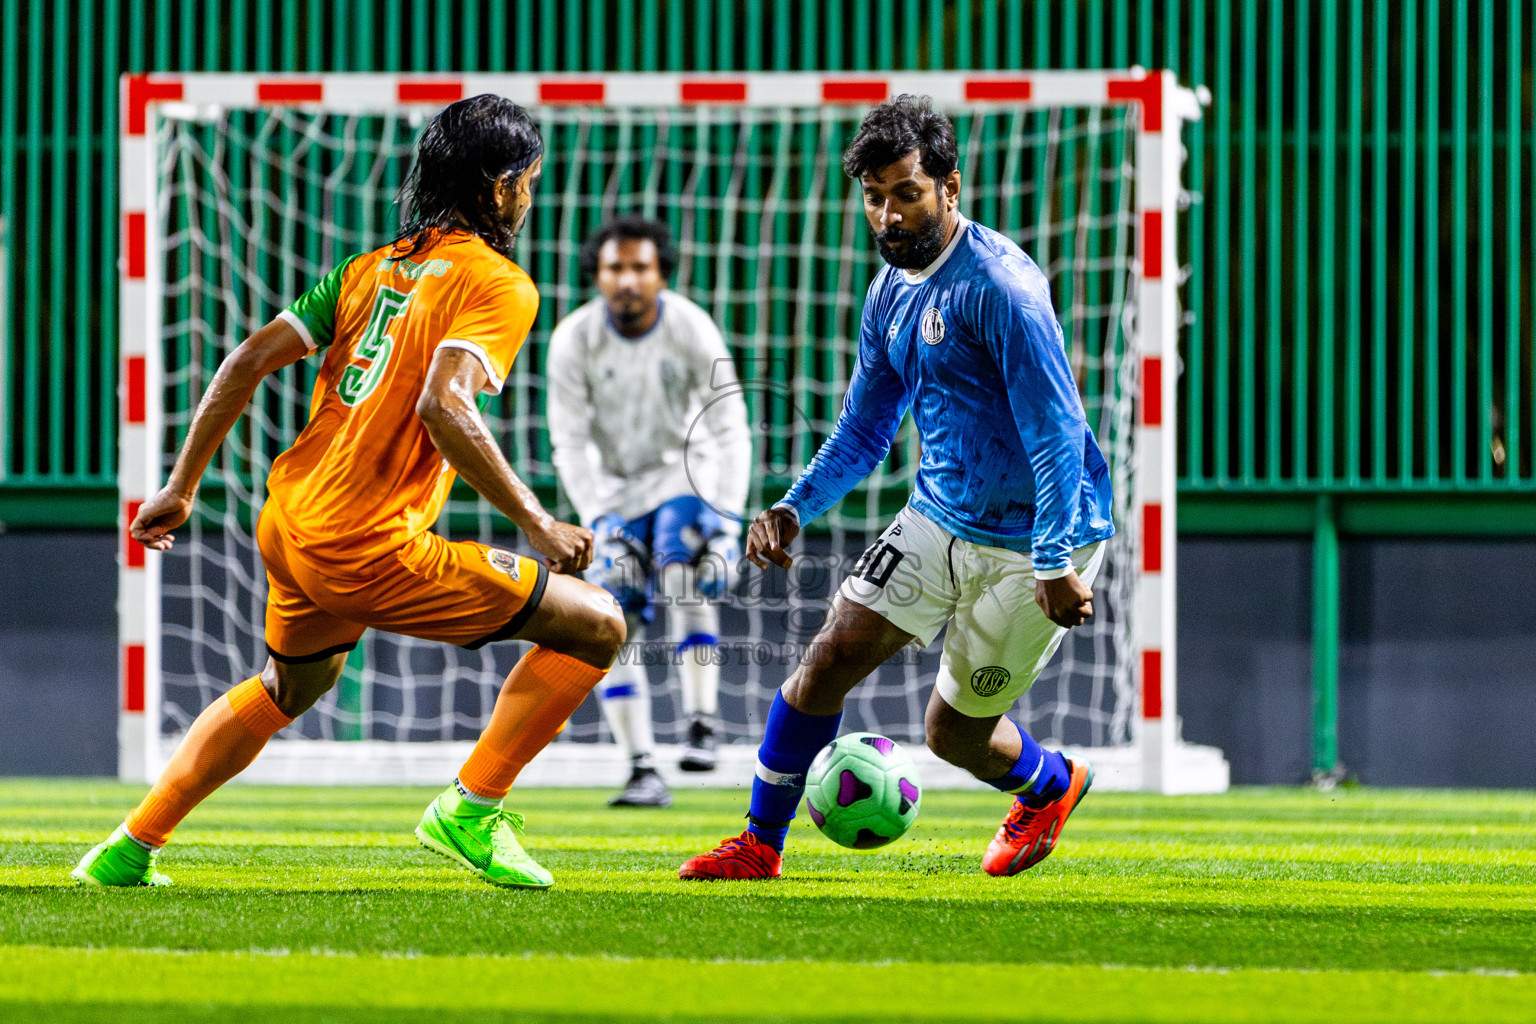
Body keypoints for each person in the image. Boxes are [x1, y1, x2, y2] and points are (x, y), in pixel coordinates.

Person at [72, 94, 625, 891]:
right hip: (366, 545)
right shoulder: (498, 284)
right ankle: (471, 809)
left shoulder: (369, 268)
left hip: (289, 519)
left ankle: (128, 849)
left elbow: (245, 361)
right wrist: (536, 521)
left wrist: (180, 486)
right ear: (502, 188)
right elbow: (444, 404)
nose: (530, 198)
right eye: (529, 182)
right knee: (598, 624)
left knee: (291, 685)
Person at [678, 95, 1114, 881]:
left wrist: (1054, 562)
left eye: (906, 193)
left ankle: (1052, 785)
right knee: (825, 662)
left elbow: (1055, 434)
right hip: (938, 517)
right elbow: (866, 428)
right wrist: (793, 505)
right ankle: (758, 844)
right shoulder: (892, 291)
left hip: (1038, 539)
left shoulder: (1002, 291)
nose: (888, 215)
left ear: (951, 186)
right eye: (874, 198)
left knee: (953, 735)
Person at [547, 216, 751, 808]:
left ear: (661, 273)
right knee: (611, 619)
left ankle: (702, 725)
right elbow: (569, 441)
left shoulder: (690, 327)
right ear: (598, 275)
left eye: (640, 267)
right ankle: (641, 767)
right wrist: (599, 516)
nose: (628, 279)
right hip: (614, 491)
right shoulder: (572, 340)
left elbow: (729, 424)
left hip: (688, 474)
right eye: (616, 268)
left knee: (682, 570)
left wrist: (728, 520)